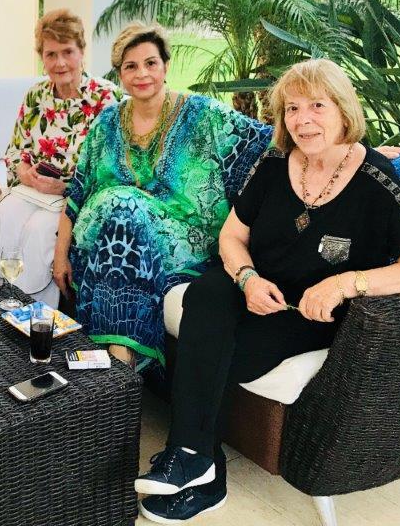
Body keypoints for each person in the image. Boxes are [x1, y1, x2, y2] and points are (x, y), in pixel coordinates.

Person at [135, 58, 400, 524]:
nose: (302, 120)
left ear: (343, 110)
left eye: (317, 106)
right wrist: (247, 278)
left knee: (221, 350)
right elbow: (231, 236)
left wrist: (346, 283)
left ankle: (198, 465)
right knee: (204, 294)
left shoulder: (376, 181)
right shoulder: (274, 164)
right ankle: (196, 459)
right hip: (255, 286)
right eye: (292, 108)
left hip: (308, 312)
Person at [54, 23, 272, 368]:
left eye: (151, 63)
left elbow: (265, 140)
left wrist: (342, 144)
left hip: (184, 238)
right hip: (110, 240)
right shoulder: (106, 124)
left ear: (165, 66)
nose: (142, 74)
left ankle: (119, 362)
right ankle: (115, 363)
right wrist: (59, 255)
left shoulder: (203, 115)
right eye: (131, 66)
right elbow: (77, 192)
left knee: (123, 208)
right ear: (120, 75)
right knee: (122, 215)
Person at [0, 9, 120, 306]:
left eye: (68, 52)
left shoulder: (105, 98)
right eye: (51, 54)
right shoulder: (36, 95)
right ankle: (2, 303)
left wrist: (64, 188)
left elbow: (109, 169)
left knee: (39, 231)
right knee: (3, 215)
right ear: (42, 57)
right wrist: (24, 171)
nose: (60, 63)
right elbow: (15, 150)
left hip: (73, 196)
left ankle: (38, 314)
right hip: (32, 190)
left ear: (82, 52)